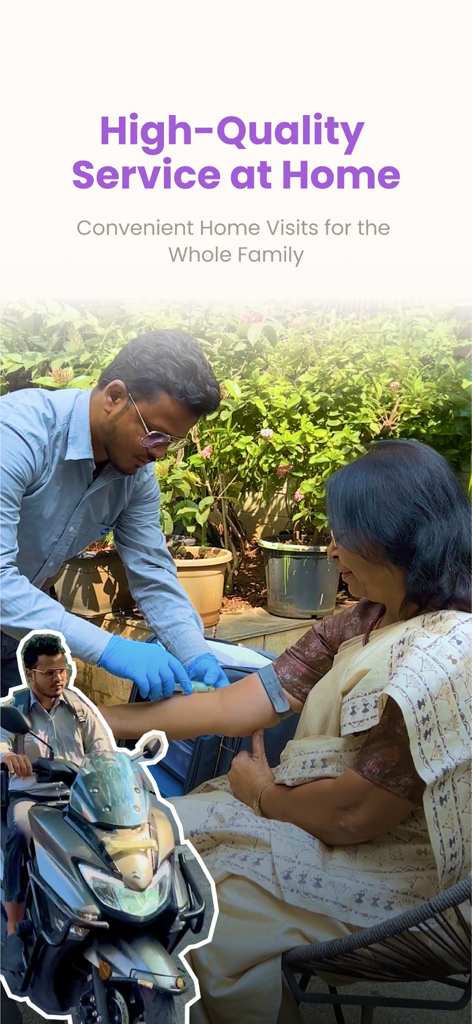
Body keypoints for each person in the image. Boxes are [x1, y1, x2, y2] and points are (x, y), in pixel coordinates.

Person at [102, 440, 471, 1024]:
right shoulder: (369, 616)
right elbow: (243, 704)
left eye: (342, 534)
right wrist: (106, 720)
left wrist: (262, 794)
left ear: (392, 536)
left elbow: (356, 817)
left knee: (191, 912)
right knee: (132, 845)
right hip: (314, 817)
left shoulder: (444, 659)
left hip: (406, 878)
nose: (331, 549)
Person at [0, 330, 229, 700]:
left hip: (16, 635)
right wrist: (111, 649)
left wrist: (195, 651)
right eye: (155, 434)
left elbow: (152, 574)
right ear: (115, 397)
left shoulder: (134, 477)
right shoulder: (17, 436)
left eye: (171, 442)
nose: (160, 453)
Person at [0, 631, 113, 972]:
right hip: (31, 798)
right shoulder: (15, 709)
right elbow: (1, 741)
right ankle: (14, 927)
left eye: (62, 670)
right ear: (30, 674)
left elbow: (103, 750)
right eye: (49, 672)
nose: (58, 678)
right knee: (19, 835)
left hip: (78, 797)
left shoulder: (79, 708)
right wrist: (8, 757)